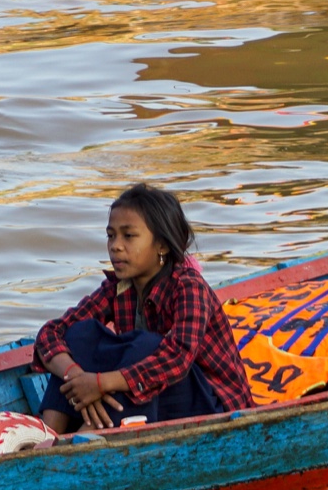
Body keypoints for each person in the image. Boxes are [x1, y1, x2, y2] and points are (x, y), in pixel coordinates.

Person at [34, 183, 255, 432]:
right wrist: (75, 376)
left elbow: (178, 359)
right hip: (149, 394)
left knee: (146, 346)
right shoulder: (118, 288)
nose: (116, 246)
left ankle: (85, 437)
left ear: (161, 245)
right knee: (82, 334)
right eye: (111, 235)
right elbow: (50, 334)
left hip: (214, 408)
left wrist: (102, 383)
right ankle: (48, 434)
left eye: (128, 236)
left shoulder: (189, 287)